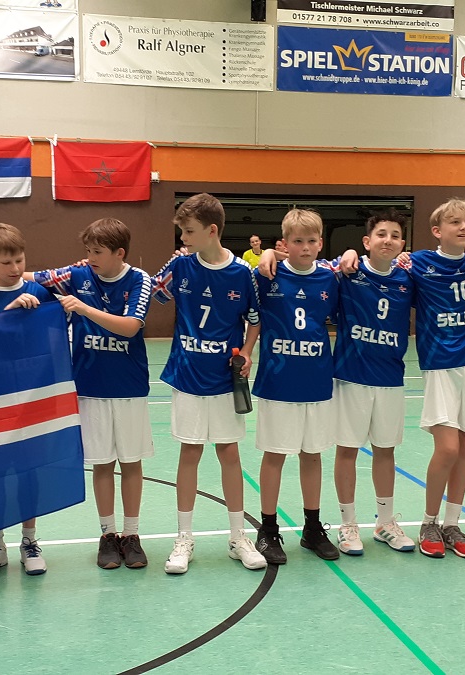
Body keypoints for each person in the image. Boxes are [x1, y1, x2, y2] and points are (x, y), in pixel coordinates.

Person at [26, 219, 155, 570]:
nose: (90, 257)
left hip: (128, 387)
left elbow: (130, 328)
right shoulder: (77, 274)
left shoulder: (139, 279)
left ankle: (132, 535)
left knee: (131, 462)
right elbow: (26, 276)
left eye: (98, 252)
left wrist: (83, 308)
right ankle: (108, 535)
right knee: (102, 463)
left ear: (119, 253)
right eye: (88, 251)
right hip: (90, 385)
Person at [151, 193, 267, 575]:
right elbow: (150, 292)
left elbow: (254, 319)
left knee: (229, 453)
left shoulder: (242, 273)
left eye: (189, 232)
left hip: (223, 380)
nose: (183, 239)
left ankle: (238, 537)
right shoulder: (181, 264)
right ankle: (184, 538)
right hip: (187, 375)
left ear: (212, 231)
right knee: (190, 453)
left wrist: (247, 351)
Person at [241, 208, 341, 563]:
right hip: (278, 381)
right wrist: (267, 254)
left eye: (311, 241)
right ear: (284, 243)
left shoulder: (329, 278)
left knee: (312, 455)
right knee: (275, 455)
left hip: (316, 380)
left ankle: (312, 528)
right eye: (297, 241)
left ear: (320, 244)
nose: (305, 247)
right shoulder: (267, 275)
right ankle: (268, 530)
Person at [410, 199, 465, 560]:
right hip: (441, 364)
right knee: (447, 448)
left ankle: (452, 523)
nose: (463, 228)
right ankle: (429, 522)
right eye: (455, 222)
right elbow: (376, 263)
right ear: (437, 231)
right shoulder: (418, 262)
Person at [0, 223, 56, 578]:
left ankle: (30, 541)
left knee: (27, 471)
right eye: (6, 262)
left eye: (19, 260)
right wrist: (9, 312)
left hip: (30, 399)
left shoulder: (39, 291)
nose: (15, 268)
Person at [330, 210, 417, 555]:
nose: (388, 240)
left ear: (402, 244)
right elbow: (306, 263)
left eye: (395, 235)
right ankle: (348, 524)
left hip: (390, 377)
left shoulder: (408, 277)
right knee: (347, 449)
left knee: (385, 450)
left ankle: (384, 523)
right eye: (381, 234)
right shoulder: (348, 271)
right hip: (351, 375)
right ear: (367, 241)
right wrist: (344, 255)